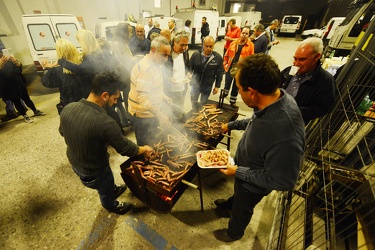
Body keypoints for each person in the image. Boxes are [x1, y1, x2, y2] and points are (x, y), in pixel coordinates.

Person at [213, 53, 305, 242]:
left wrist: (238, 171)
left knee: (244, 206)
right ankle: (232, 205)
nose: (238, 93)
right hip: (243, 172)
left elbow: (283, 181)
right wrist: (230, 125)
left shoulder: (287, 134)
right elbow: (256, 121)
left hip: (253, 185)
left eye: (239, 89)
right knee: (238, 198)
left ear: (252, 92)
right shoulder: (275, 98)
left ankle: (234, 232)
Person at [60, 71, 153, 215]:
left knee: (107, 185)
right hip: (95, 171)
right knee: (105, 186)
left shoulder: (69, 108)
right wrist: (144, 149)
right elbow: (125, 149)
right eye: (115, 98)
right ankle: (111, 204)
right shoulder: (105, 122)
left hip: (74, 163)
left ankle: (113, 189)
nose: (116, 102)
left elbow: (62, 131)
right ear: (104, 95)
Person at [128, 36, 172, 146]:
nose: (166, 59)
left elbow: (152, 87)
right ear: (153, 50)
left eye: (168, 55)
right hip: (142, 117)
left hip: (149, 113)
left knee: (153, 142)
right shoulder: (145, 69)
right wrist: (160, 115)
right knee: (145, 147)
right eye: (164, 55)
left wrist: (163, 96)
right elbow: (142, 98)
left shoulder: (155, 64)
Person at [280, 37, 336, 125]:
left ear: (317, 56)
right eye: (295, 58)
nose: (296, 63)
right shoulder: (288, 71)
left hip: (293, 124)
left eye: (302, 59)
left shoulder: (325, 81)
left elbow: (322, 108)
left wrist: (295, 112)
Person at [0, 51, 46, 123]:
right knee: (17, 101)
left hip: (18, 83)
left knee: (27, 98)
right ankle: (25, 115)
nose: (2, 55)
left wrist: (16, 62)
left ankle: (35, 110)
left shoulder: (8, 60)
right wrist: (1, 64)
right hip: (8, 87)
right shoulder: (1, 62)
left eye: (1, 53)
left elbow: (19, 70)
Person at [41, 38, 83, 114]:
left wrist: (48, 68)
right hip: (85, 104)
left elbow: (46, 82)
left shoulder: (58, 71)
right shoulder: (82, 63)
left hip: (69, 107)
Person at [222, 27, 254, 107]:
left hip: (240, 70)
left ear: (248, 35)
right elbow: (226, 54)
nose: (244, 35)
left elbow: (251, 59)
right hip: (230, 67)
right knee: (227, 82)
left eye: (246, 34)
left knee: (236, 86)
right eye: (243, 33)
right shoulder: (234, 43)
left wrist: (246, 70)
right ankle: (224, 94)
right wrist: (225, 65)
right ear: (240, 33)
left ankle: (233, 100)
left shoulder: (250, 45)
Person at [189, 36, 223, 110]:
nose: (208, 48)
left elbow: (219, 73)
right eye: (206, 46)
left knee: (203, 102)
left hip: (207, 85)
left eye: (210, 46)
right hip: (195, 84)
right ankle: (194, 110)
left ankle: (201, 112)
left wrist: (217, 86)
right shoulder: (196, 54)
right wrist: (188, 74)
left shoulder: (217, 58)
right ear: (203, 45)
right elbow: (189, 67)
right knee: (193, 100)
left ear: (214, 46)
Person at [163, 30, 190, 108]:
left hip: (182, 89)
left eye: (186, 45)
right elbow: (160, 71)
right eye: (182, 45)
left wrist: (188, 73)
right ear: (175, 42)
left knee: (179, 110)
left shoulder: (185, 52)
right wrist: (168, 79)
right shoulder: (167, 54)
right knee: (169, 112)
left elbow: (187, 66)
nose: (184, 48)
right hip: (170, 92)